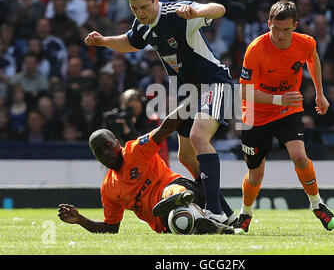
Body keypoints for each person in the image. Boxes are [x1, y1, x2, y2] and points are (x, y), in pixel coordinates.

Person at [84, 0, 235, 224]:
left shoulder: (176, 14)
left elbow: (219, 9)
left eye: (144, 7)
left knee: (199, 136)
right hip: (189, 93)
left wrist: (197, 12)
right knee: (186, 157)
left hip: (213, 81)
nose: (140, 14)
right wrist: (104, 41)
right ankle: (226, 213)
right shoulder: (142, 25)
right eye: (135, 9)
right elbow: (131, 42)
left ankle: (214, 210)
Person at [58, 97, 236, 235]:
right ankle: (203, 222)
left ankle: (181, 198)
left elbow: (165, 128)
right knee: (181, 222)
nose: (106, 153)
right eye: (99, 151)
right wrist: (80, 220)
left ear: (117, 143)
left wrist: (190, 102)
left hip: (183, 187)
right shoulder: (109, 189)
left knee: (172, 192)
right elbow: (111, 229)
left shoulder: (135, 151)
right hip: (165, 222)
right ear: (96, 157)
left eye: (108, 147)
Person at [236, 0, 334, 233]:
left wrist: (320, 94)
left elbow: (313, 60)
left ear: (295, 26)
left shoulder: (306, 43)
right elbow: (243, 91)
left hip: (287, 109)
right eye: (276, 29)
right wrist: (277, 99)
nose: (281, 35)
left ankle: (317, 205)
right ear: (269, 23)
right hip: (255, 112)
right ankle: (245, 213)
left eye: (286, 30)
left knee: (299, 156)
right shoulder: (256, 49)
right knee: (255, 176)